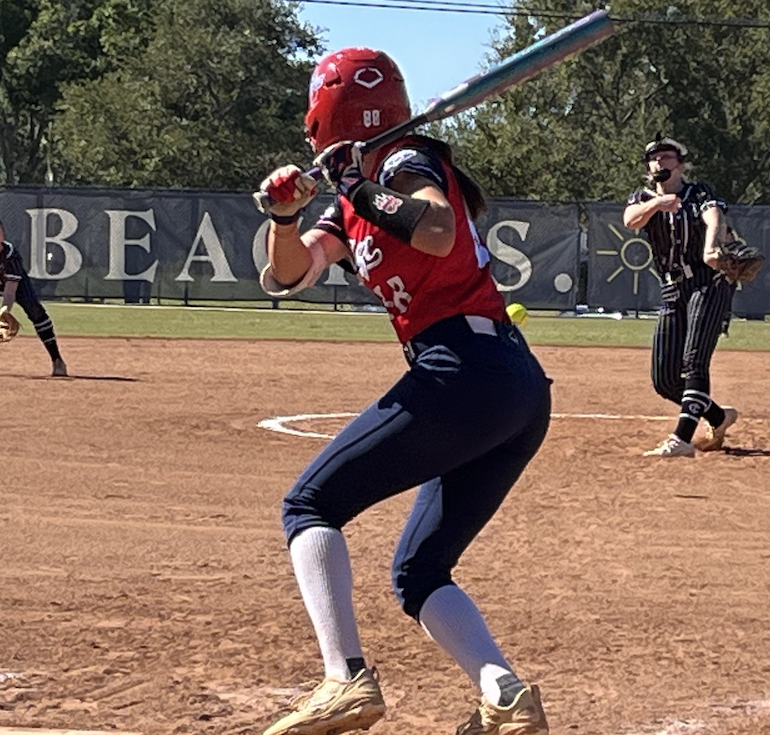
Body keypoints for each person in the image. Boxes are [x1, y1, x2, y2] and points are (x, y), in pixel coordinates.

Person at [254, 47, 552, 735]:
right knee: (420, 571)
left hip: (465, 369)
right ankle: (506, 697)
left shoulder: (401, 163)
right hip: (505, 385)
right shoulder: (354, 198)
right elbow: (290, 274)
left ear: (326, 115)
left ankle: (343, 679)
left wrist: (355, 185)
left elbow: (437, 228)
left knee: (309, 505)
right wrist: (285, 217)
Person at [622, 134, 738, 457]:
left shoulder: (697, 193)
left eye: (667, 157)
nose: (660, 162)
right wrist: (657, 204)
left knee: (694, 361)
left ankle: (682, 439)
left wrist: (710, 248)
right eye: (654, 158)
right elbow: (630, 220)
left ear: (681, 164)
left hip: (708, 282)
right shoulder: (643, 197)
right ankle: (718, 416)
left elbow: (714, 216)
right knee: (664, 379)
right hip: (672, 288)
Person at [0, 216, 67, 377]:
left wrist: (5, 312)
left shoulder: (10, 255)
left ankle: (57, 360)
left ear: (3, 236)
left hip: (12, 282)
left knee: (35, 310)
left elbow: (10, 292)